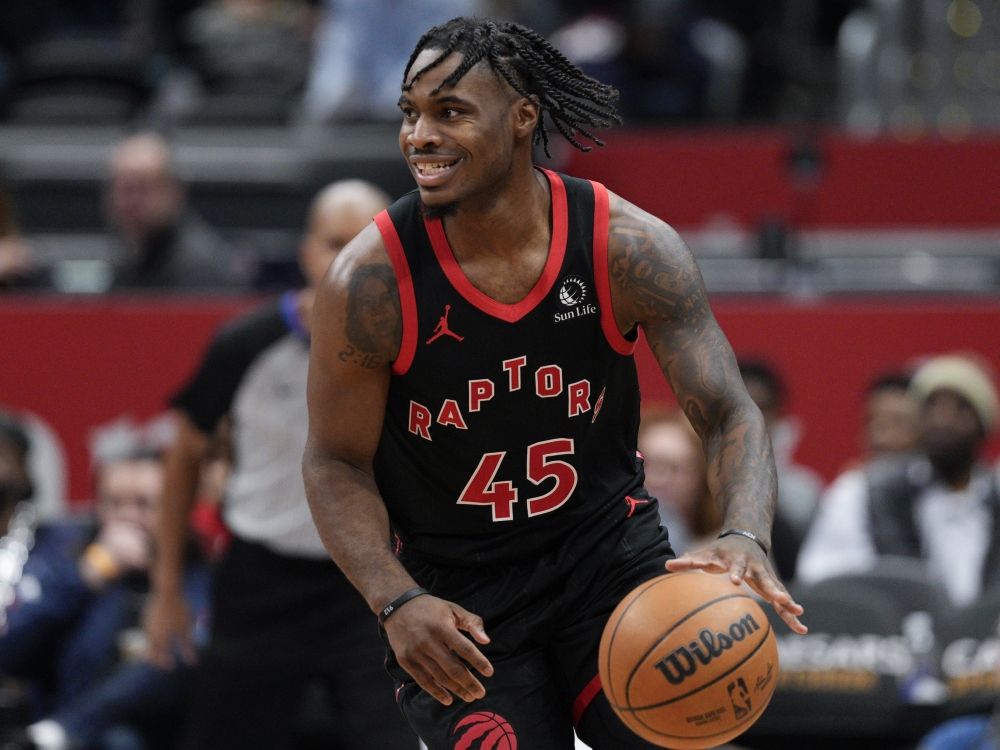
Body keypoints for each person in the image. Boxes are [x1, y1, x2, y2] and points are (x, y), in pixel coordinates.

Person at [301, 17, 806, 750]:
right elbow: (333, 461)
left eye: (450, 112)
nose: (419, 136)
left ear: (522, 118)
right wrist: (394, 600)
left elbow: (729, 411)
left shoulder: (625, 247)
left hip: (604, 561)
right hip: (457, 595)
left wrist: (745, 534)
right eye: (410, 113)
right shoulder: (370, 281)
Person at [142, 179, 417, 750]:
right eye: (333, 240)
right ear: (305, 251)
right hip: (259, 584)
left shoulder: (418, 346)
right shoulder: (245, 344)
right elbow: (184, 457)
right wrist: (167, 589)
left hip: (371, 583)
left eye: (366, 240)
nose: (347, 256)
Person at [0, 436, 210, 750]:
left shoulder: (199, 572)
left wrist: (64, 731)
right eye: (113, 503)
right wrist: (86, 576)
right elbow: (9, 649)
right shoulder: (65, 552)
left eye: (145, 504)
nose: (127, 516)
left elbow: (170, 663)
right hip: (41, 727)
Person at [797, 352, 1000, 606]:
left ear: (984, 423)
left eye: (961, 409)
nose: (943, 420)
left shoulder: (995, 495)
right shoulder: (863, 491)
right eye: (932, 406)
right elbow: (820, 578)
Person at [103, 132, 249, 290]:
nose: (128, 202)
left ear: (174, 190)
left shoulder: (201, 269)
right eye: (121, 188)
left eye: (142, 187)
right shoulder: (130, 258)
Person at [738, 358, 825, 540]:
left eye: (763, 407)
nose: (752, 418)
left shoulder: (803, 493)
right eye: (741, 407)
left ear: (779, 414)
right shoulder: (690, 480)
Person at [637, 404, 719, 555]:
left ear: (703, 480)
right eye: (645, 464)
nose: (658, 479)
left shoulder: (729, 551)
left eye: (675, 468)